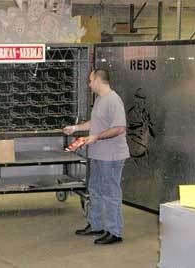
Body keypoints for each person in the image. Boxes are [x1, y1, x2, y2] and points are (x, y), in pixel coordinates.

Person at [63, 69, 129, 245]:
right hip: (98, 155)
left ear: (99, 81)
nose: (89, 84)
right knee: (95, 190)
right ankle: (96, 225)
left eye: (91, 81)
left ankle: (115, 232)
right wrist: (76, 128)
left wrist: (96, 137)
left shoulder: (114, 100)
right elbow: (96, 122)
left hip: (111, 156)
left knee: (111, 192)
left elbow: (120, 128)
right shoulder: (100, 99)